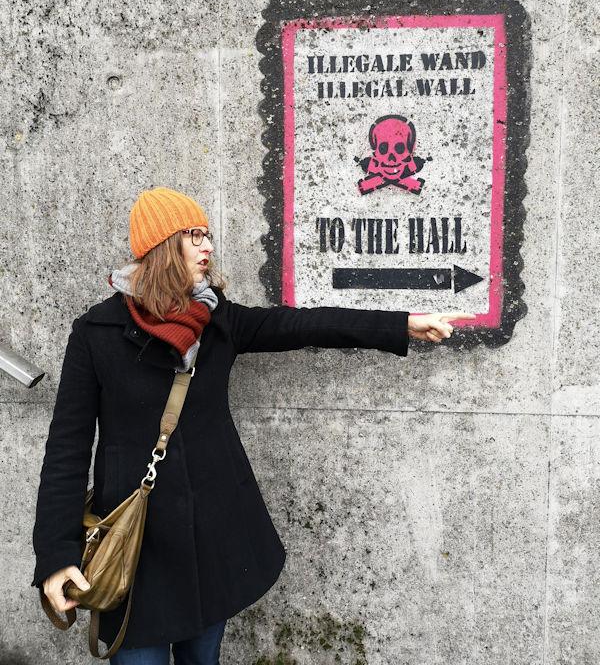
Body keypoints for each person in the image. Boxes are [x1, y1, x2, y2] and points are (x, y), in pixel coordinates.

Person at [33, 187, 474, 665]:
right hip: (137, 547)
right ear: (162, 245)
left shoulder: (216, 318)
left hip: (212, 537)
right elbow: (67, 448)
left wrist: (403, 324)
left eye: (207, 234)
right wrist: (57, 554)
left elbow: (304, 325)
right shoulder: (96, 333)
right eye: (194, 235)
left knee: (203, 658)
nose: (207, 245)